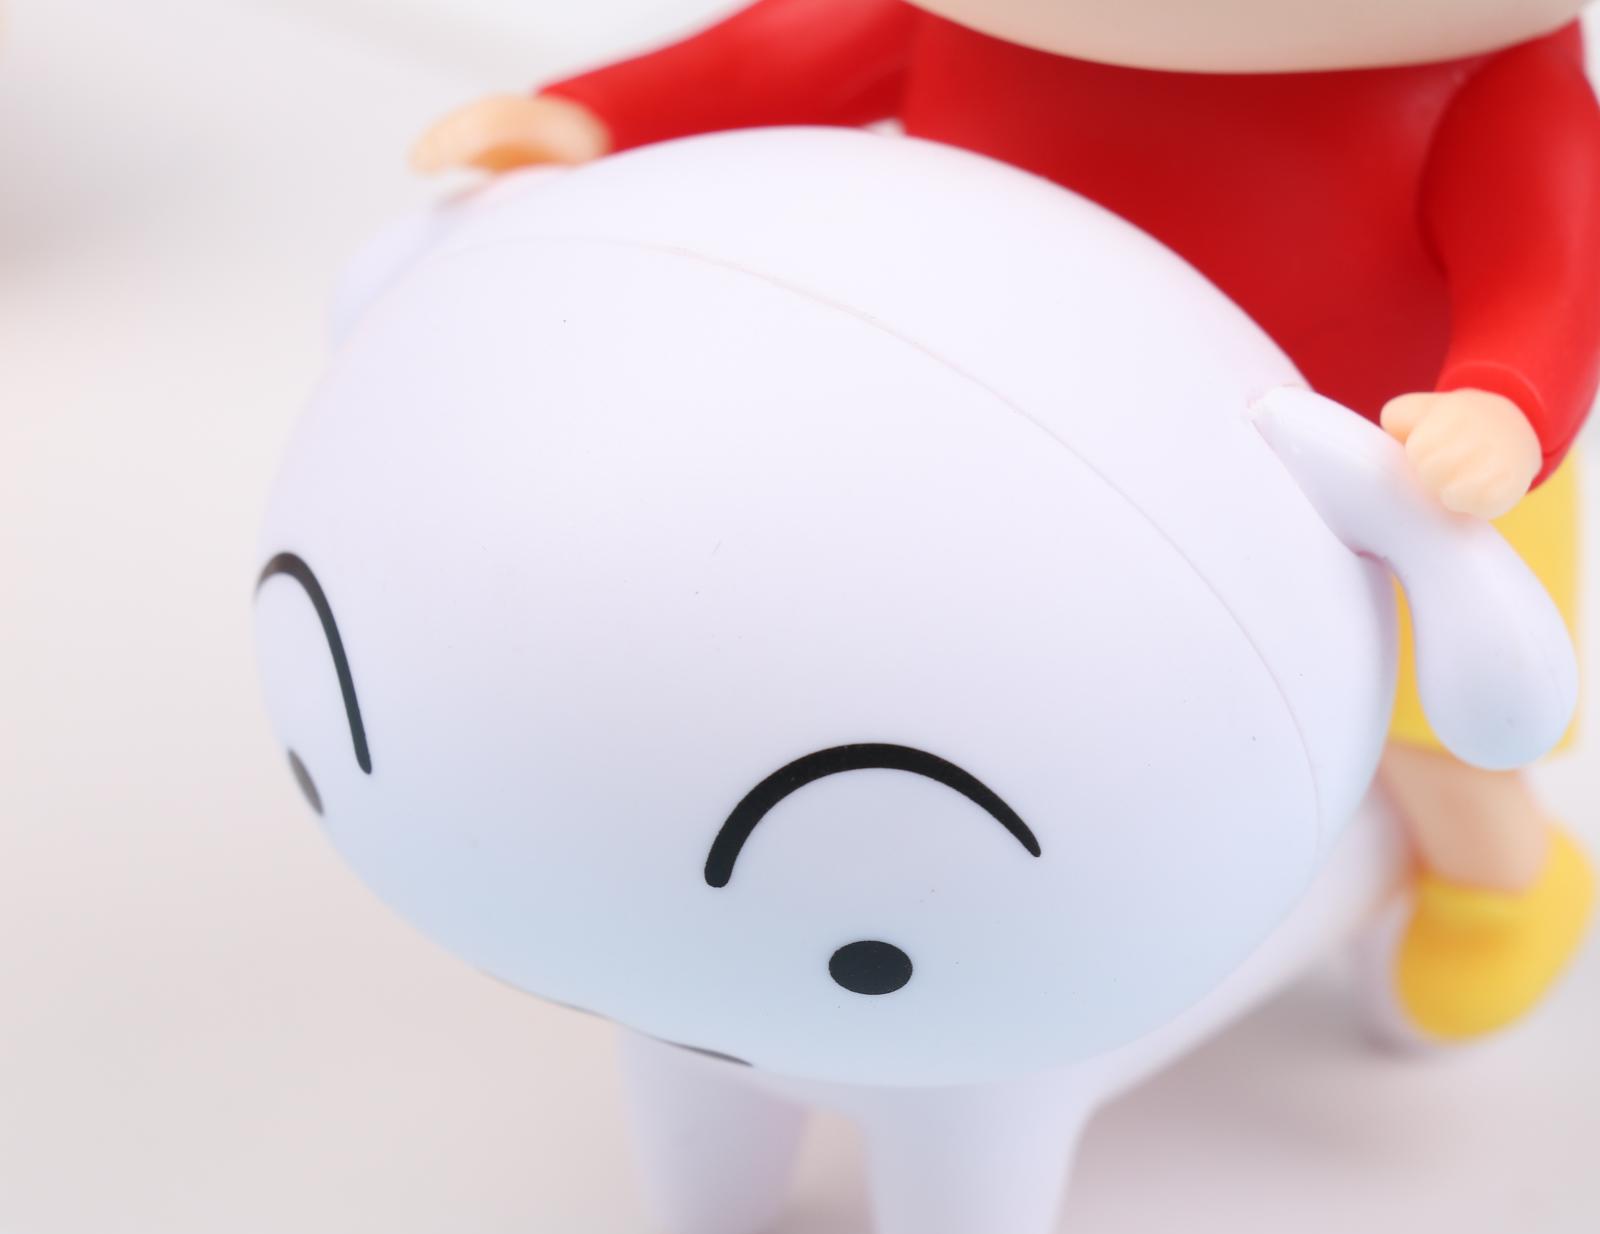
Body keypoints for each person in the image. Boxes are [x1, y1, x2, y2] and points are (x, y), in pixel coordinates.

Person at [411, 0, 1600, 1043]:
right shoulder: (965, 24)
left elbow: (1553, 256)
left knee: (1424, 736)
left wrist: (1503, 400)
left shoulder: (1484, 85)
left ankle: (1506, 881)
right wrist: (596, 115)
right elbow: (776, 57)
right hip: (1018, 442)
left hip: (1356, 478)